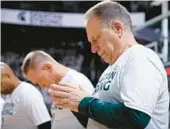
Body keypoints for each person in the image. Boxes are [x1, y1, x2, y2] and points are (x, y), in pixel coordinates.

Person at [48, 1, 169, 129]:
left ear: (118, 28)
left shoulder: (140, 57)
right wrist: (73, 104)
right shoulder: (111, 68)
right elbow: (99, 122)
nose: (93, 49)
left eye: (96, 39)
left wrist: (84, 103)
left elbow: (136, 118)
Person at [21, 50, 94, 129]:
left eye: (40, 80)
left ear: (48, 67)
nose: (41, 86)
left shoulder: (76, 82)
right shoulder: (60, 84)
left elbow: (94, 122)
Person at [0, 62, 51, 129]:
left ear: (9, 76)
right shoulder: (8, 96)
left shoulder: (27, 92)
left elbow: (45, 124)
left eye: (1, 84)